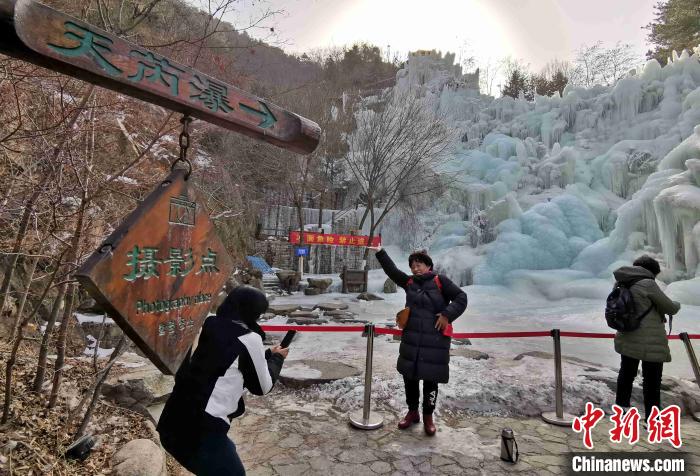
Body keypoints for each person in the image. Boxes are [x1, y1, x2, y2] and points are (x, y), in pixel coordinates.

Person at [157, 286, 288, 475]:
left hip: (172, 419)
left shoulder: (210, 324)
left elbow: (223, 359)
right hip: (200, 430)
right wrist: (277, 359)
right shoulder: (250, 339)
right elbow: (262, 387)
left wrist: (266, 354)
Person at [369, 246, 467, 435]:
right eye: (413, 266)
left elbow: (461, 298)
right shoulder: (410, 283)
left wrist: (447, 314)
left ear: (428, 266)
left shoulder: (441, 281)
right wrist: (380, 252)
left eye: (419, 264)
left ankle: (428, 416)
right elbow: (393, 272)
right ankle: (413, 412)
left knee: (431, 380)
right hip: (412, 339)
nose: (415, 268)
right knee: (410, 378)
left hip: (434, 341)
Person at [613, 255, 681, 422]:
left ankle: (621, 411)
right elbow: (669, 307)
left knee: (626, 374)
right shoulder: (648, 283)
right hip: (650, 341)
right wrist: (677, 304)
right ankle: (652, 419)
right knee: (652, 381)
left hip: (627, 336)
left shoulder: (622, 282)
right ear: (652, 271)